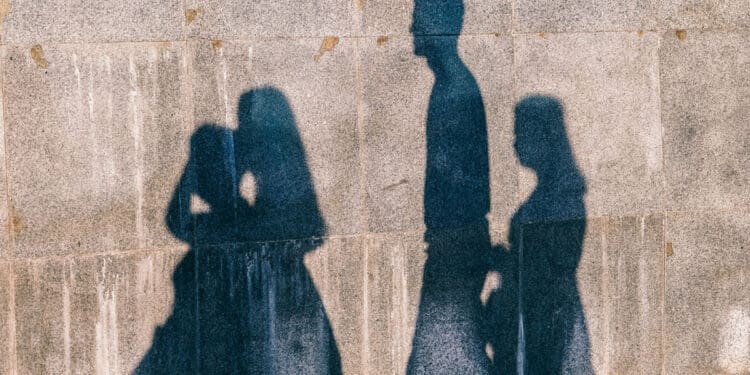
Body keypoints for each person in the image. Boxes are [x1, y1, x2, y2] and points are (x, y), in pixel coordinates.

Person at [136, 87, 341, 374]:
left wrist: (198, 172)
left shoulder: (247, 213)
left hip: (275, 312)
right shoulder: (223, 222)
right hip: (267, 311)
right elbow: (177, 221)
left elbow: (177, 220)